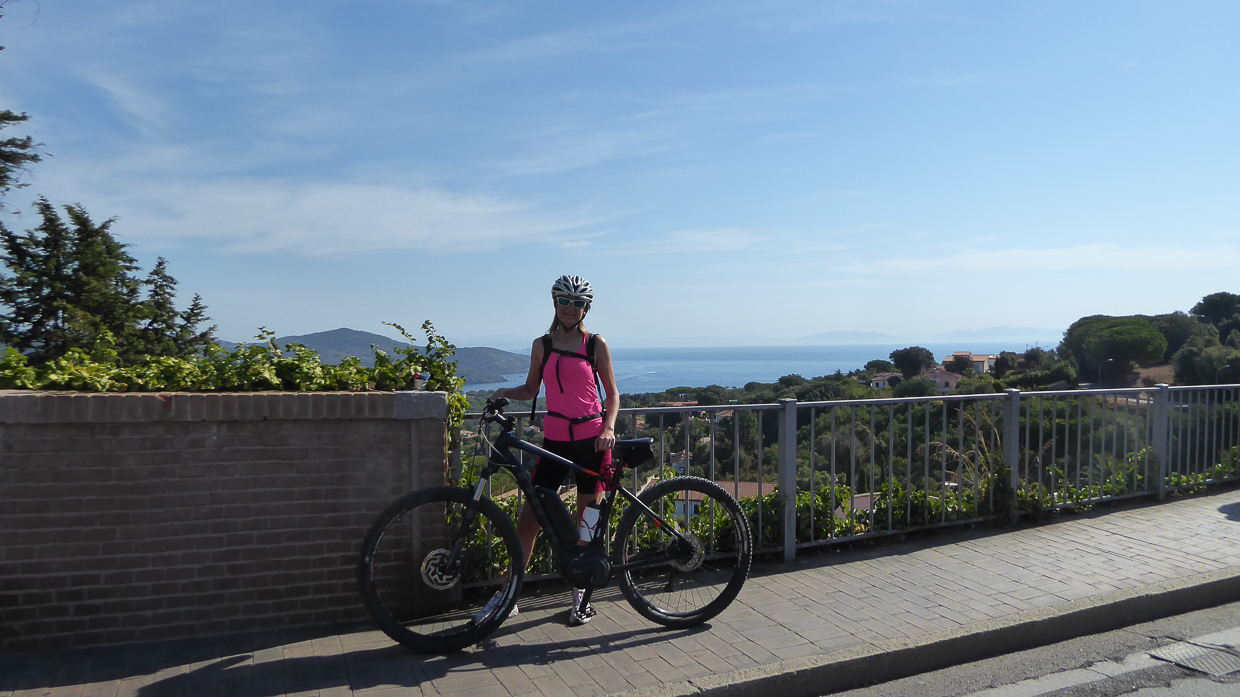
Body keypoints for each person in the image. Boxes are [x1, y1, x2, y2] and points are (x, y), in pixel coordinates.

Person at [479, 275, 620, 627]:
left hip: (592, 441)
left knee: (587, 523)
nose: (571, 308)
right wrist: (503, 392)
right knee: (529, 521)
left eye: (578, 303)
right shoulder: (541, 345)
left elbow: (612, 394)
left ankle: (581, 592)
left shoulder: (595, 344)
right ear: (555, 303)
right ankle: (510, 594)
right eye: (565, 301)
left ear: (586, 308)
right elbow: (531, 388)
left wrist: (609, 428)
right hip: (555, 441)